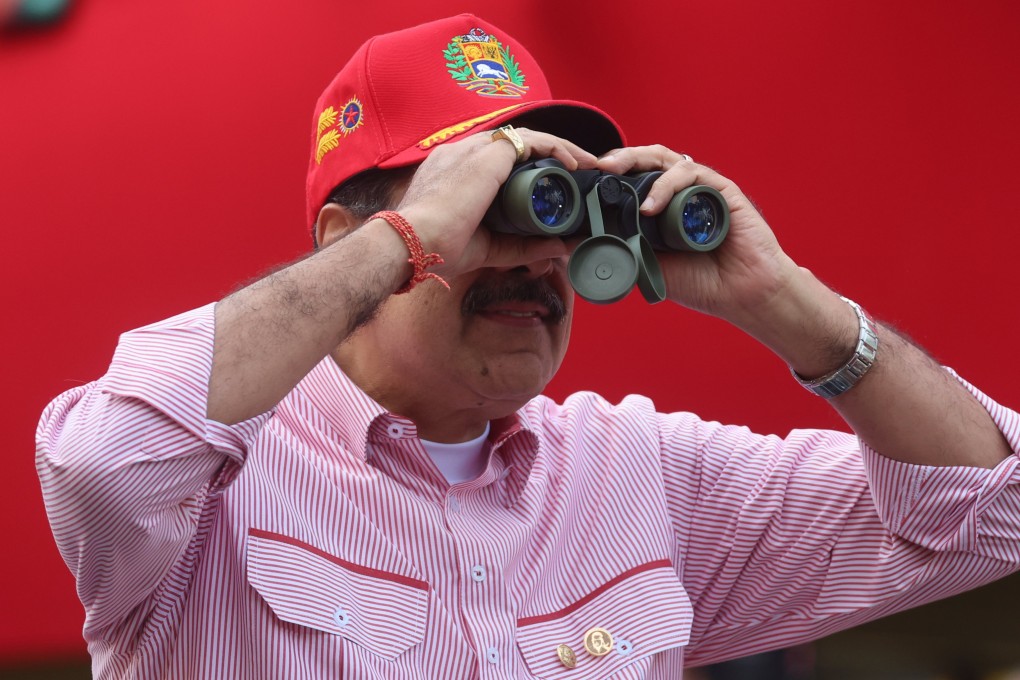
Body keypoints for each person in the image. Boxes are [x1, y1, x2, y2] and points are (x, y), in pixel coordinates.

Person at [37, 14, 1020, 679]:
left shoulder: (643, 476)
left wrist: (787, 303)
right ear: (351, 240)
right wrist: (407, 243)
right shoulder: (214, 480)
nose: (537, 255)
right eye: (487, 206)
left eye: (554, 207)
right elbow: (100, 461)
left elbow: (991, 513)